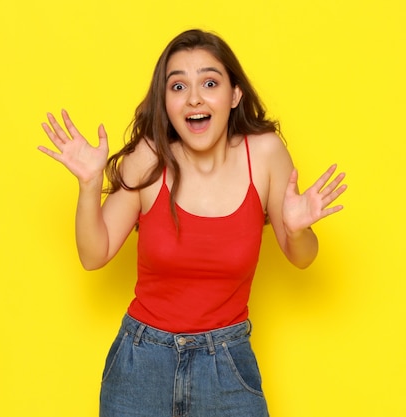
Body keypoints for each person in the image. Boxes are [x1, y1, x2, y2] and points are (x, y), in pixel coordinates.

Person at [38, 29, 346, 417]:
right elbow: (93, 254)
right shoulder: (149, 157)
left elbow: (302, 257)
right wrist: (88, 186)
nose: (194, 97)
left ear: (234, 95)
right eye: (178, 85)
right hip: (141, 363)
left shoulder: (264, 154)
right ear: (165, 102)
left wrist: (299, 230)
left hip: (227, 363)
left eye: (210, 82)